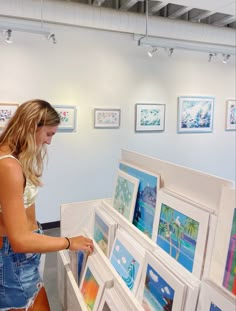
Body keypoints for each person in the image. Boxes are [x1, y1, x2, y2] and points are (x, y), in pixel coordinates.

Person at [0, 99, 94, 311]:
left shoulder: (11, 156)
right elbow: (20, 240)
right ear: (32, 126)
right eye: (48, 134)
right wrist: (69, 242)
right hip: (14, 260)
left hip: (19, 258)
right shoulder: (8, 165)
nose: (49, 142)